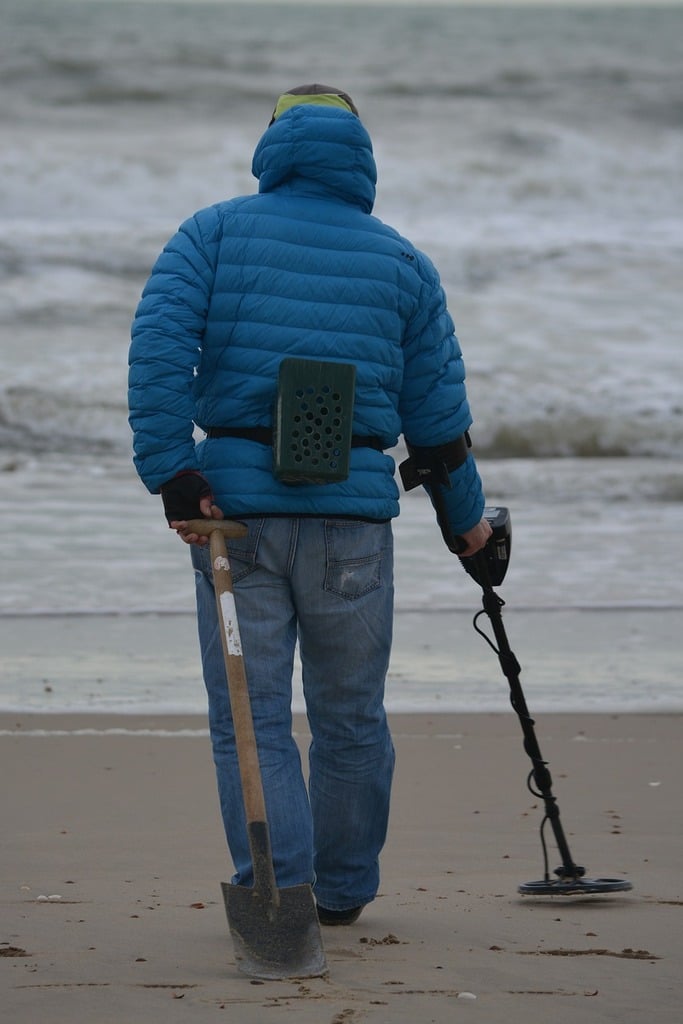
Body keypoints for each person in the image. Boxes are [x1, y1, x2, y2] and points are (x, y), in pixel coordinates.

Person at [128, 84, 492, 927]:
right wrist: (465, 526)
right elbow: (439, 424)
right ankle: (341, 894)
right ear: (361, 155)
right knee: (350, 717)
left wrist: (173, 475)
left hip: (231, 516)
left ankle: (276, 893)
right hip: (353, 525)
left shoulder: (210, 233)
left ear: (271, 145)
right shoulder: (402, 261)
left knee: (249, 723)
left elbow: (156, 354)